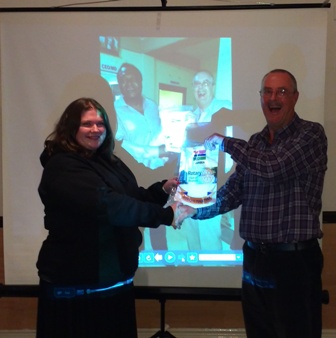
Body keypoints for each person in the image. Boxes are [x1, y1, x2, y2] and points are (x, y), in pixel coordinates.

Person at [176, 69, 328, 338]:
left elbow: (273, 167)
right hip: (255, 259)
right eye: (267, 92)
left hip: (294, 263)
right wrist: (193, 208)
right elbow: (233, 192)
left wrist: (225, 143)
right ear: (260, 98)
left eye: (281, 91)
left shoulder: (311, 135)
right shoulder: (256, 142)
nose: (273, 98)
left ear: (295, 97)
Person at [35, 98, 178, 338]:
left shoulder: (107, 160)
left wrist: (161, 190)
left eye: (100, 123)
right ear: (71, 128)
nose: (95, 130)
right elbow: (111, 206)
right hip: (78, 295)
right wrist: (167, 214)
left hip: (113, 286)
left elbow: (130, 195)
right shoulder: (63, 166)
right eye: (86, 124)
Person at [114, 62, 169, 170]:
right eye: (124, 80)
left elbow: (161, 132)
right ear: (119, 85)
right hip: (137, 174)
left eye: (133, 79)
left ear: (140, 82)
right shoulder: (114, 111)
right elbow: (121, 146)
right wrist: (158, 151)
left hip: (163, 168)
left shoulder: (153, 106)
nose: (129, 83)